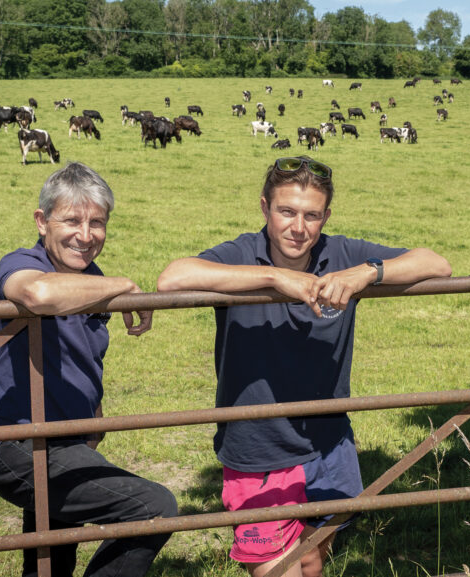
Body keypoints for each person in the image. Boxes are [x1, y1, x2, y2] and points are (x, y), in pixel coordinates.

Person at [156, 156, 451, 577]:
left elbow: (437, 264)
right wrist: (275, 279)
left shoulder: (341, 252)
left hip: (329, 445)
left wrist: (366, 273)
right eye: (286, 212)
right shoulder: (243, 253)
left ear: (325, 216)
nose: (299, 228)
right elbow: (172, 278)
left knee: (311, 561)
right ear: (264, 208)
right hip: (259, 448)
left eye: (312, 216)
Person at [0, 162, 177, 577]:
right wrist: (124, 286)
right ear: (41, 221)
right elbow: (39, 293)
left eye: (97, 223)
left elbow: (85, 354)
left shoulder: (92, 277)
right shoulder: (21, 262)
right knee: (153, 507)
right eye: (72, 220)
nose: (85, 236)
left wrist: (93, 419)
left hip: (66, 443)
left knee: (51, 560)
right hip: (15, 444)